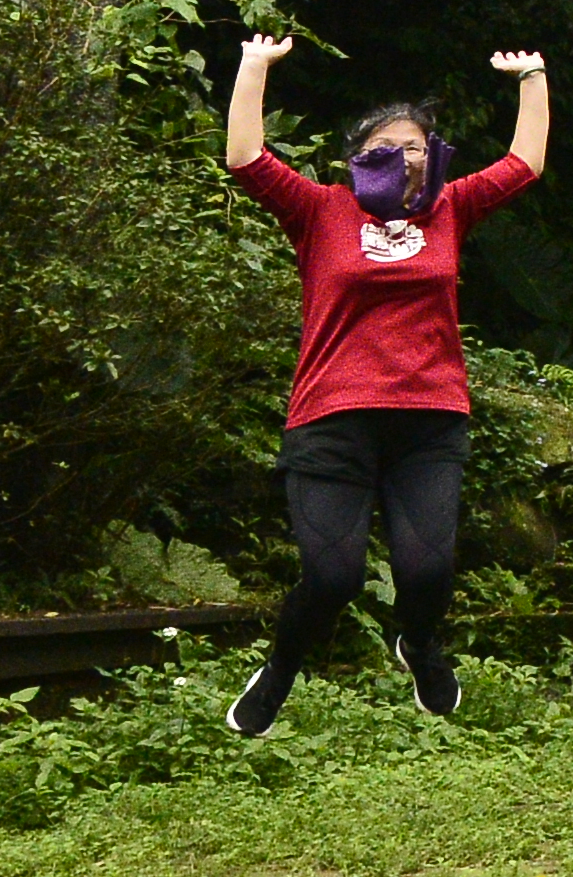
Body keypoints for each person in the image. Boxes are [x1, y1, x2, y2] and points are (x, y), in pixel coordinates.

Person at [219, 37, 549, 736]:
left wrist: (533, 77)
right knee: (333, 579)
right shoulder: (321, 211)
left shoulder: (450, 209)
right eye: (392, 143)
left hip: (429, 420)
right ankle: (278, 672)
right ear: (360, 154)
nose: (410, 154)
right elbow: (246, 157)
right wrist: (254, 66)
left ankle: (420, 645)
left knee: (427, 572)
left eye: (421, 144)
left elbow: (525, 164)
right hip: (332, 419)